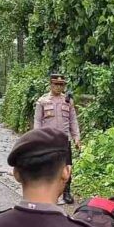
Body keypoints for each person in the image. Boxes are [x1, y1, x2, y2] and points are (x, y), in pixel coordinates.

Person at [33, 73, 80, 204]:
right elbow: (37, 121)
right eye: (56, 84)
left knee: (67, 166)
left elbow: (73, 121)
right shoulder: (42, 101)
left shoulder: (68, 101)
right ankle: (49, 192)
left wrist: (76, 137)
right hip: (48, 140)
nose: (59, 87)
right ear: (51, 84)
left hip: (64, 139)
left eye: (61, 85)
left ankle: (66, 192)